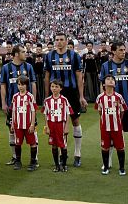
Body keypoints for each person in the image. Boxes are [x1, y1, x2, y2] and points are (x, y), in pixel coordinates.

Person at [98, 41, 128, 172]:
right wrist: (102, 103)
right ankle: (108, 162)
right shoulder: (106, 66)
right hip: (111, 109)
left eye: (124, 50)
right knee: (110, 135)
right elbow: (102, 86)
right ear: (113, 51)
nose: (124, 52)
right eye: (120, 50)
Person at [43, 33, 86, 167]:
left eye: (62, 40)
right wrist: (47, 95)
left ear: (66, 41)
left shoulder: (74, 56)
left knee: (75, 121)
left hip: (71, 92)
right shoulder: (49, 56)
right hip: (56, 93)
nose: (59, 42)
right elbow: (47, 77)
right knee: (59, 122)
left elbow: (79, 77)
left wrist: (81, 96)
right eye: (57, 40)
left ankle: (77, 154)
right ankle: (63, 154)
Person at [95, 75, 127, 176]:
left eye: (112, 79)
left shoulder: (119, 97)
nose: (111, 80)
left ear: (115, 84)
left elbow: (122, 111)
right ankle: (105, 167)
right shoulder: (100, 97)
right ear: (104, 84)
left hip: (117, 127)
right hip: (105, 127)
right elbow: (99, 111)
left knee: (120, 147)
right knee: (105, 147)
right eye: (108, 79)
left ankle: (122, 168)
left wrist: (117, 120)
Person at [43, 80, 73, 172]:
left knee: (63, 145)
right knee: (54, 145)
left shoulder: (64, 100)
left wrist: (67, 126)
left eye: (56, 87)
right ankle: (56, 165)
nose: (54, 88)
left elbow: (68, 113)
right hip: (51, 125)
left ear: (61, 88)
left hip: (61, 125)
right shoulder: (47, 101)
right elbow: (45, 114)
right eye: (52, 86)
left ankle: (64, 165)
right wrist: (47, 126)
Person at [10, 76, 38, 171]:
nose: (20, 86)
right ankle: (18, 161)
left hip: (28, 125)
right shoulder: (15, 97)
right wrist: (12, 124)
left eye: (22, 85)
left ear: (26, 85)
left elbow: (33, 111)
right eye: (19, 84)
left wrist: (32, 124)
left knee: (32, 143)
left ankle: (33, 162)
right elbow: (13, 111)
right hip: (18, 125)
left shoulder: (30, 96)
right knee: (18, 143)